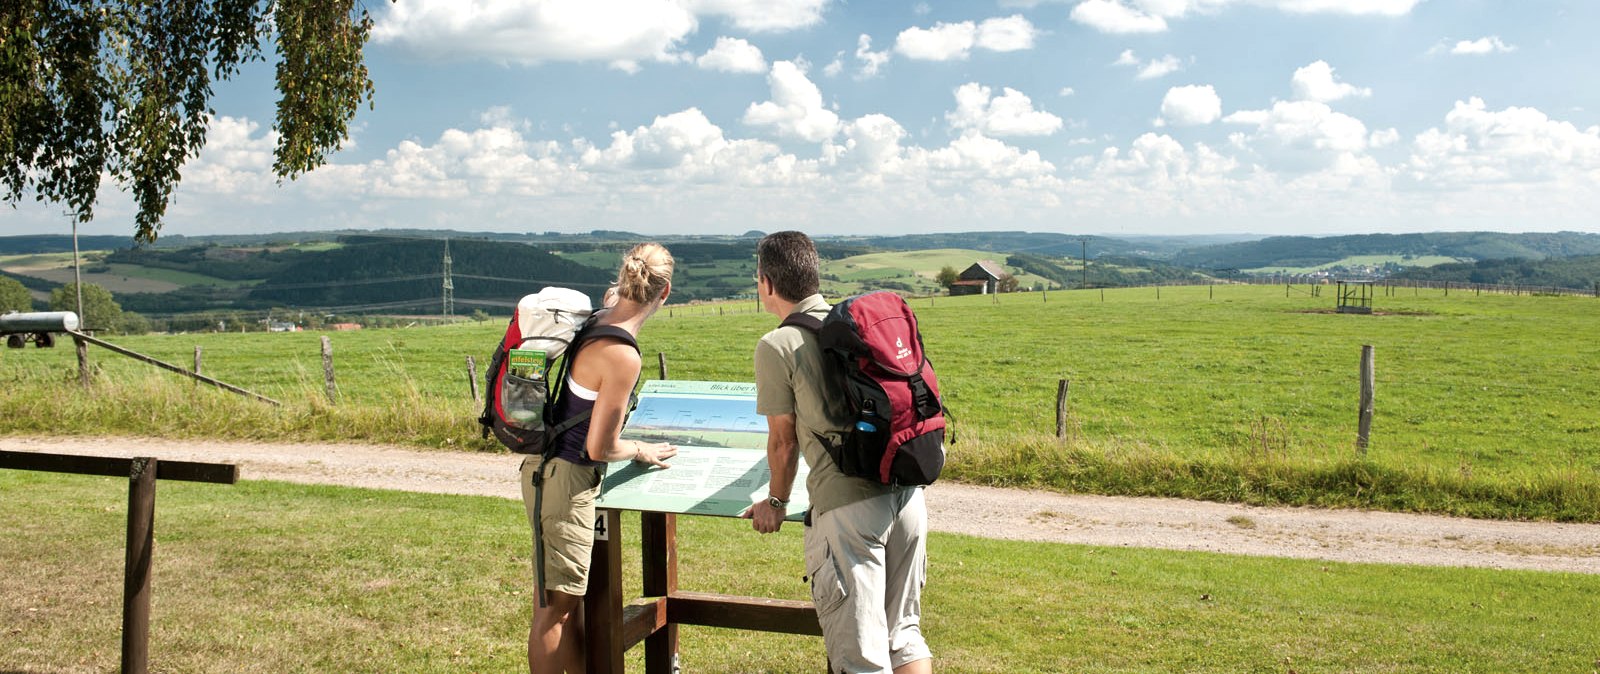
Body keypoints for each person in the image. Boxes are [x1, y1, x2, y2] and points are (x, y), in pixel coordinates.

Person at [744, 231, 933, 673]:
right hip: (904, 492)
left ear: (767, 282)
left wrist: (775, 502)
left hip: (848, 509)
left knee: (861, 657)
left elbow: (783, 441)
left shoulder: (778, 345)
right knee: (903, 635)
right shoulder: (854, 326)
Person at [521, 242, 679, 674]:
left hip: (550, 471)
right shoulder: (622, 355)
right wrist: (640, 449)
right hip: (567, 479)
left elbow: (615, 297)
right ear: (665, 293)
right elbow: (600, 447)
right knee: (555, 610)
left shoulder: (600, 316)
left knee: (566, 604)